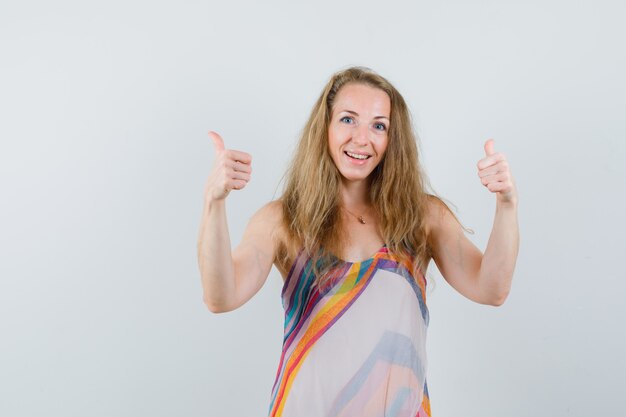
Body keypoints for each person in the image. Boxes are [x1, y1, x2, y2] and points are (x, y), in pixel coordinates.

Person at [197, 67, 519, 417]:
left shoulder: (422, 216)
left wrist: (506, 203)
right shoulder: (282, 220)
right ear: (326, 126)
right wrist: (214, 203)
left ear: (392, 140)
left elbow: (492, 289)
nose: (362, 138)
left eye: (379, 125)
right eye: (348, 119)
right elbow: (221, 297)